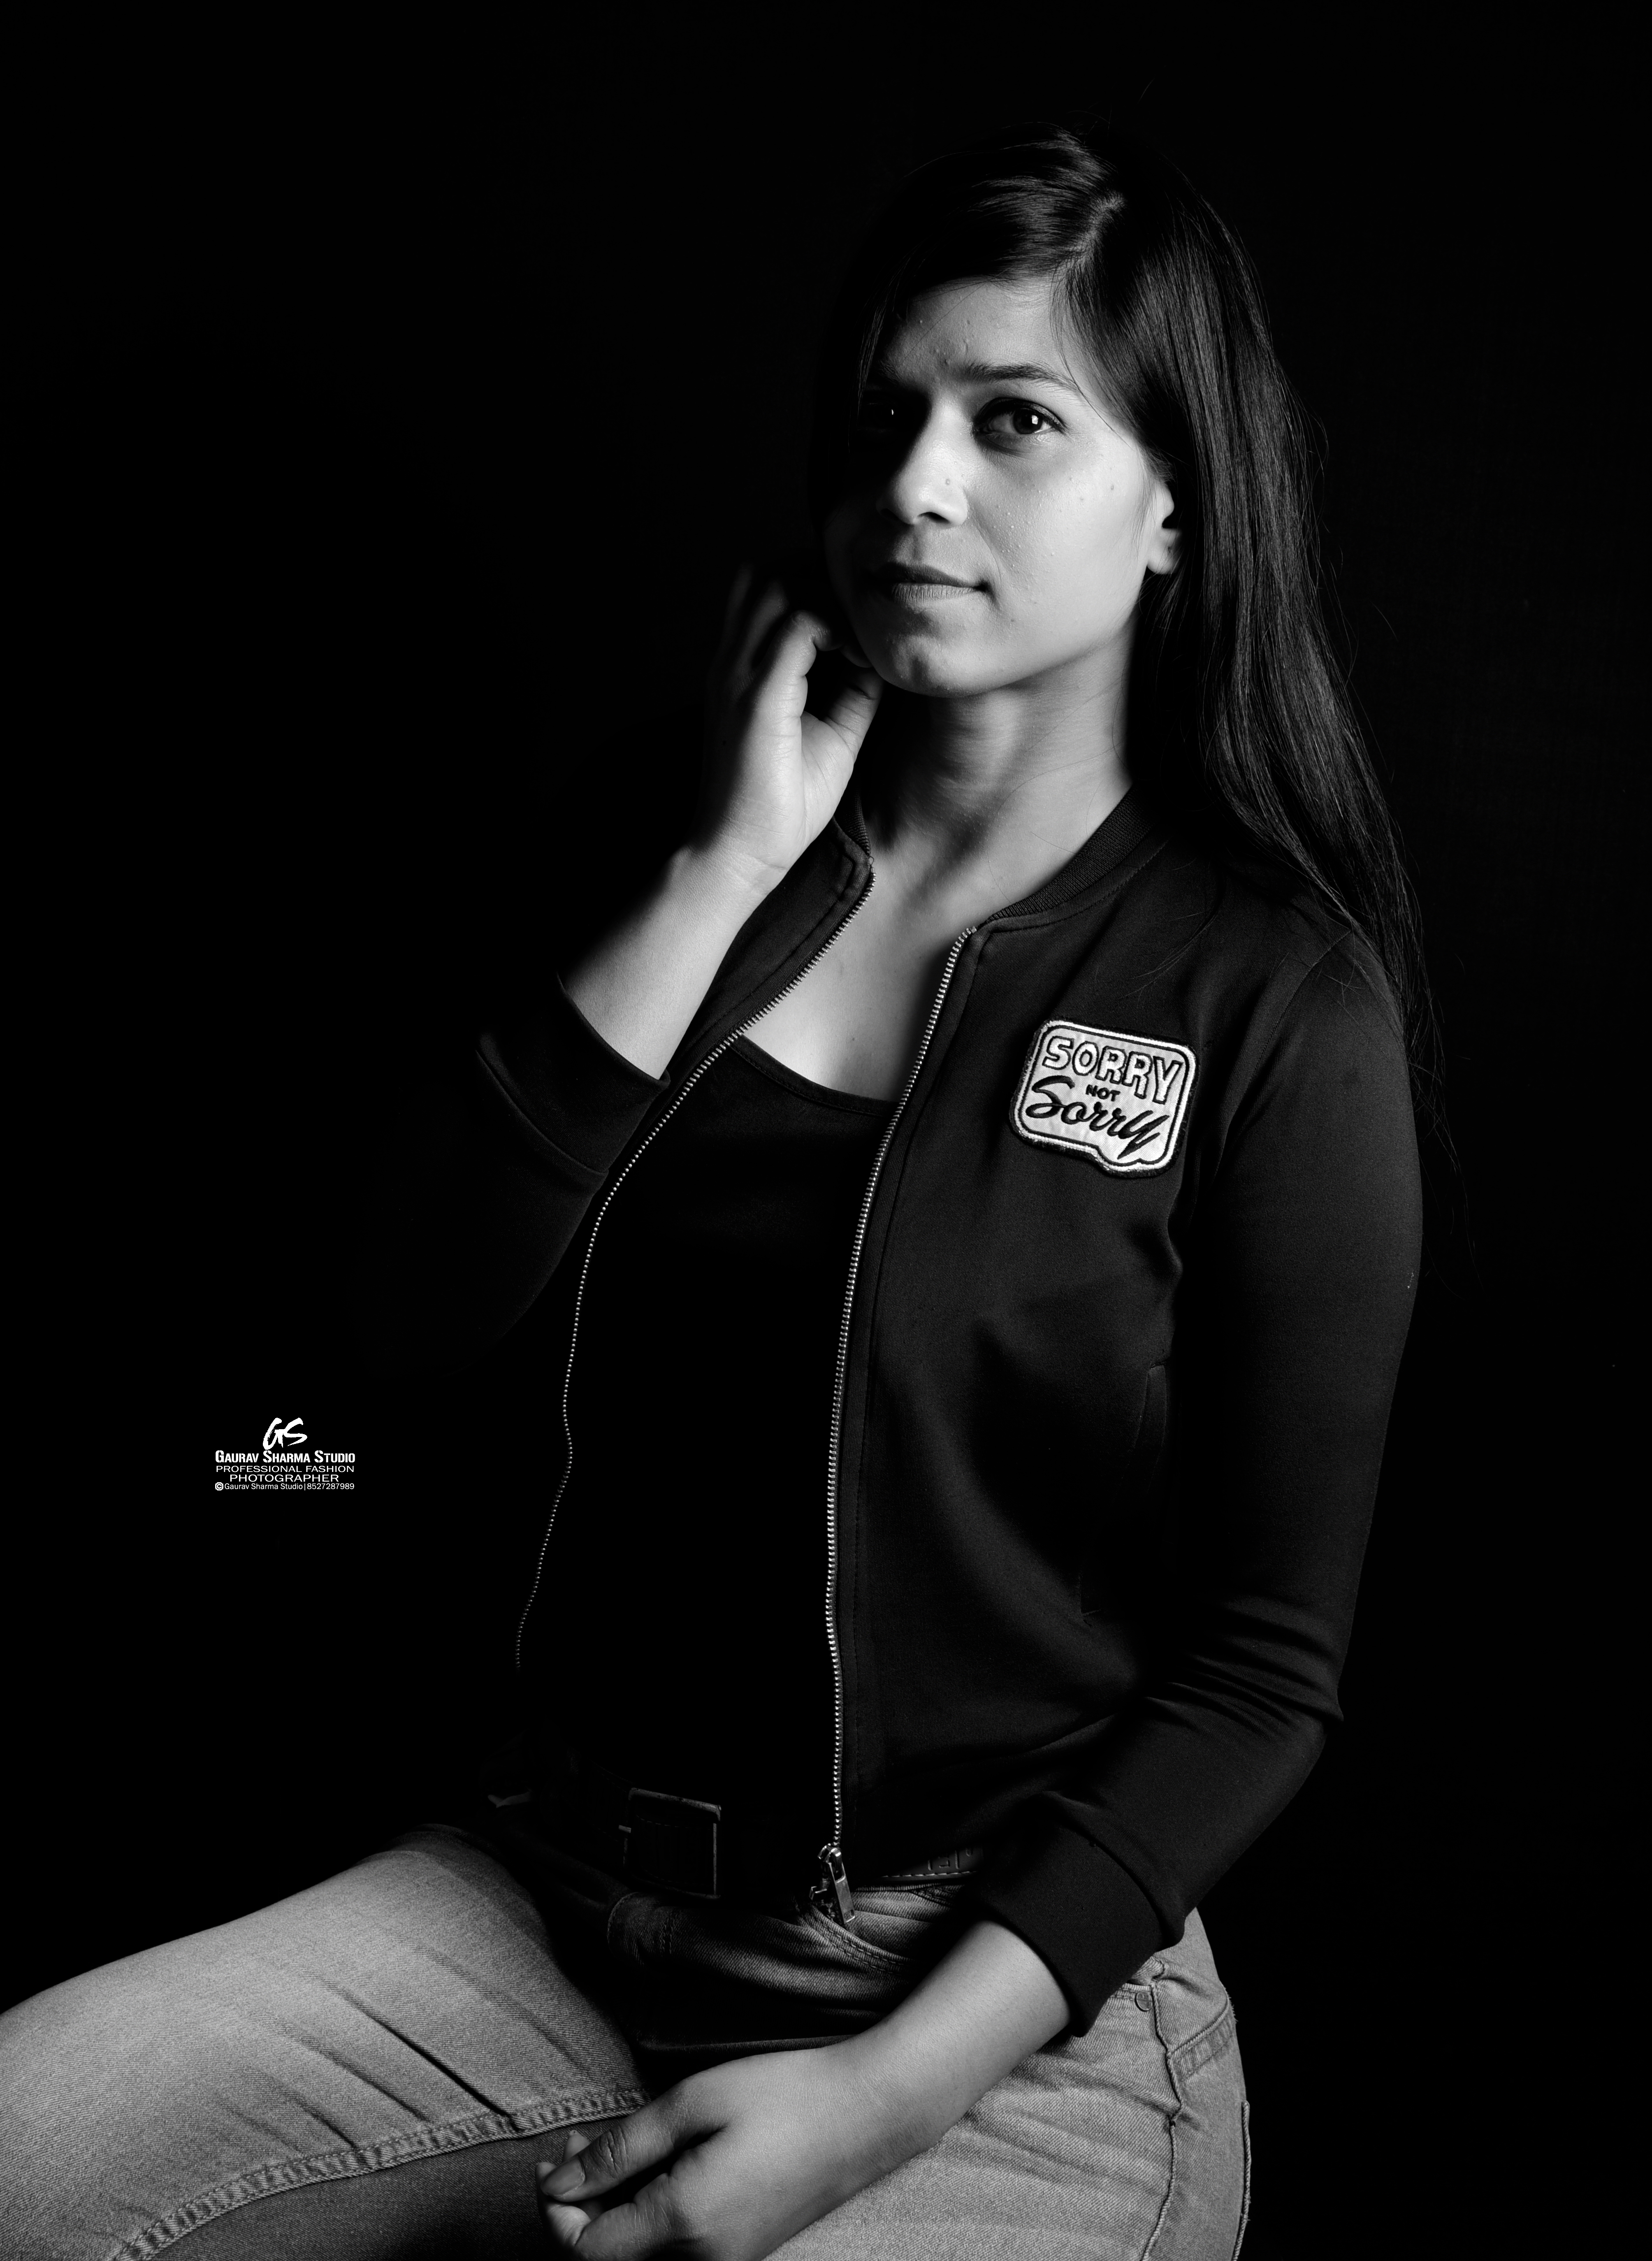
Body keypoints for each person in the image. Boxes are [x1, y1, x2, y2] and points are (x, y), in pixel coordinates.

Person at [0, 122, 1423, 2259]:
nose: (918, 483)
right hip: (552, 1904)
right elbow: (398, 1329)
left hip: (985, 2005)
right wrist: (723, 864)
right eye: (887, 416)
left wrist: (875, 2100)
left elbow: (1260, 1677)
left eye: (1014, 421)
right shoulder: (669, 834)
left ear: (1175, 508)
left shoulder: (1271, 1002)